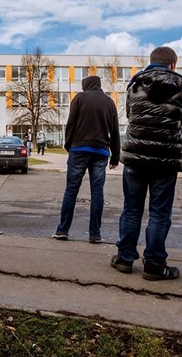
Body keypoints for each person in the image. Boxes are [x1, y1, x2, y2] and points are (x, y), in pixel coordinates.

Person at [111, 47, 182, 280]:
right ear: (173, 65)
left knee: (131, 209)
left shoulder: (134, 86)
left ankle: (125, 259)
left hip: (136, 157)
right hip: (166, 159)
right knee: (159, 213)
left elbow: (131, 116)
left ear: (151, 62)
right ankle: (155, 265)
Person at [53, 76, 120, 244]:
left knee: (71, 190)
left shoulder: (79, 98)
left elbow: (71, 124)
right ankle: (95, 234)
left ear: (86, 85)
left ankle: (63, 230)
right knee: (97, 193)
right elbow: (115, 131)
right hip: (100, 151)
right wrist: (116, 156)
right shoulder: (109, 102)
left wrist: (69, 146)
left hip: (79, 150)